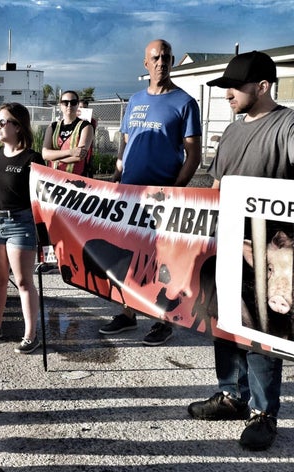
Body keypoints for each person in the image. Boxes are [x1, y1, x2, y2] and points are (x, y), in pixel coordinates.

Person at [187, 50, 294, 451]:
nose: (227, 94)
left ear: (262, 86)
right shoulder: (232, 132)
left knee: (262, 332)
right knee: (225, 324)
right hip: (227, 244)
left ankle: (264, 413)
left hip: (269, 256)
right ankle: (231, 395)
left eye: (235, 86)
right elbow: (217, 187)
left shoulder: (287, 125)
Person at [98, 39, 202, 346]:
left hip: (162, 199)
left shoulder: (184, 103)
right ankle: (127, 313)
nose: (161, 62)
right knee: (124, 256)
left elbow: (193, 156)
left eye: (167, 58)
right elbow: (125, 144)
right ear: (146, 64)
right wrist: (116, 181)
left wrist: (175, 191)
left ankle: (162, 320)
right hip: (129, 196)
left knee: (160, 262)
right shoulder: (134, 101)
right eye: (156, 58)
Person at [0, 103, 45, 354]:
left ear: (18, 126)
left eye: (3, 122)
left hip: (21, 223)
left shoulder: (33, 159)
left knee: (24, 281)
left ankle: (30, 335)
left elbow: (42, 193)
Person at [42, 90, 94, 176]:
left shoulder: (86, 126)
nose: (69, 105)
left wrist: (54, 157)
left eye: (73, 102)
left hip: (76, 180)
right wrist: (71, 152)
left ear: (77, 105)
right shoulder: (52, 126)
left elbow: (78, 156)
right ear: (60, 105)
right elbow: (45, 154)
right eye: (65, 102)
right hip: (53, 178)